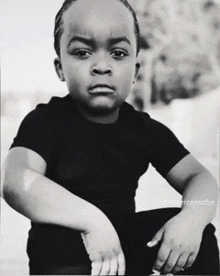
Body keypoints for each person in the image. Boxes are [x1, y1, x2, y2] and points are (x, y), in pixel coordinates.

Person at [1, 0, 219, 275]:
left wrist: (193, 217)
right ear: (60, 68)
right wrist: (93, 222)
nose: (101, 66)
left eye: (117, 53)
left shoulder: (143, 129)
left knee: (202, 236)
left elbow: (200, 179)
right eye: (82, 52)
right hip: (63, 259)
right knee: (58, 238)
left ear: (135, 71)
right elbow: (15, 183)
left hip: (123, 249)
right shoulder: (46, 121)